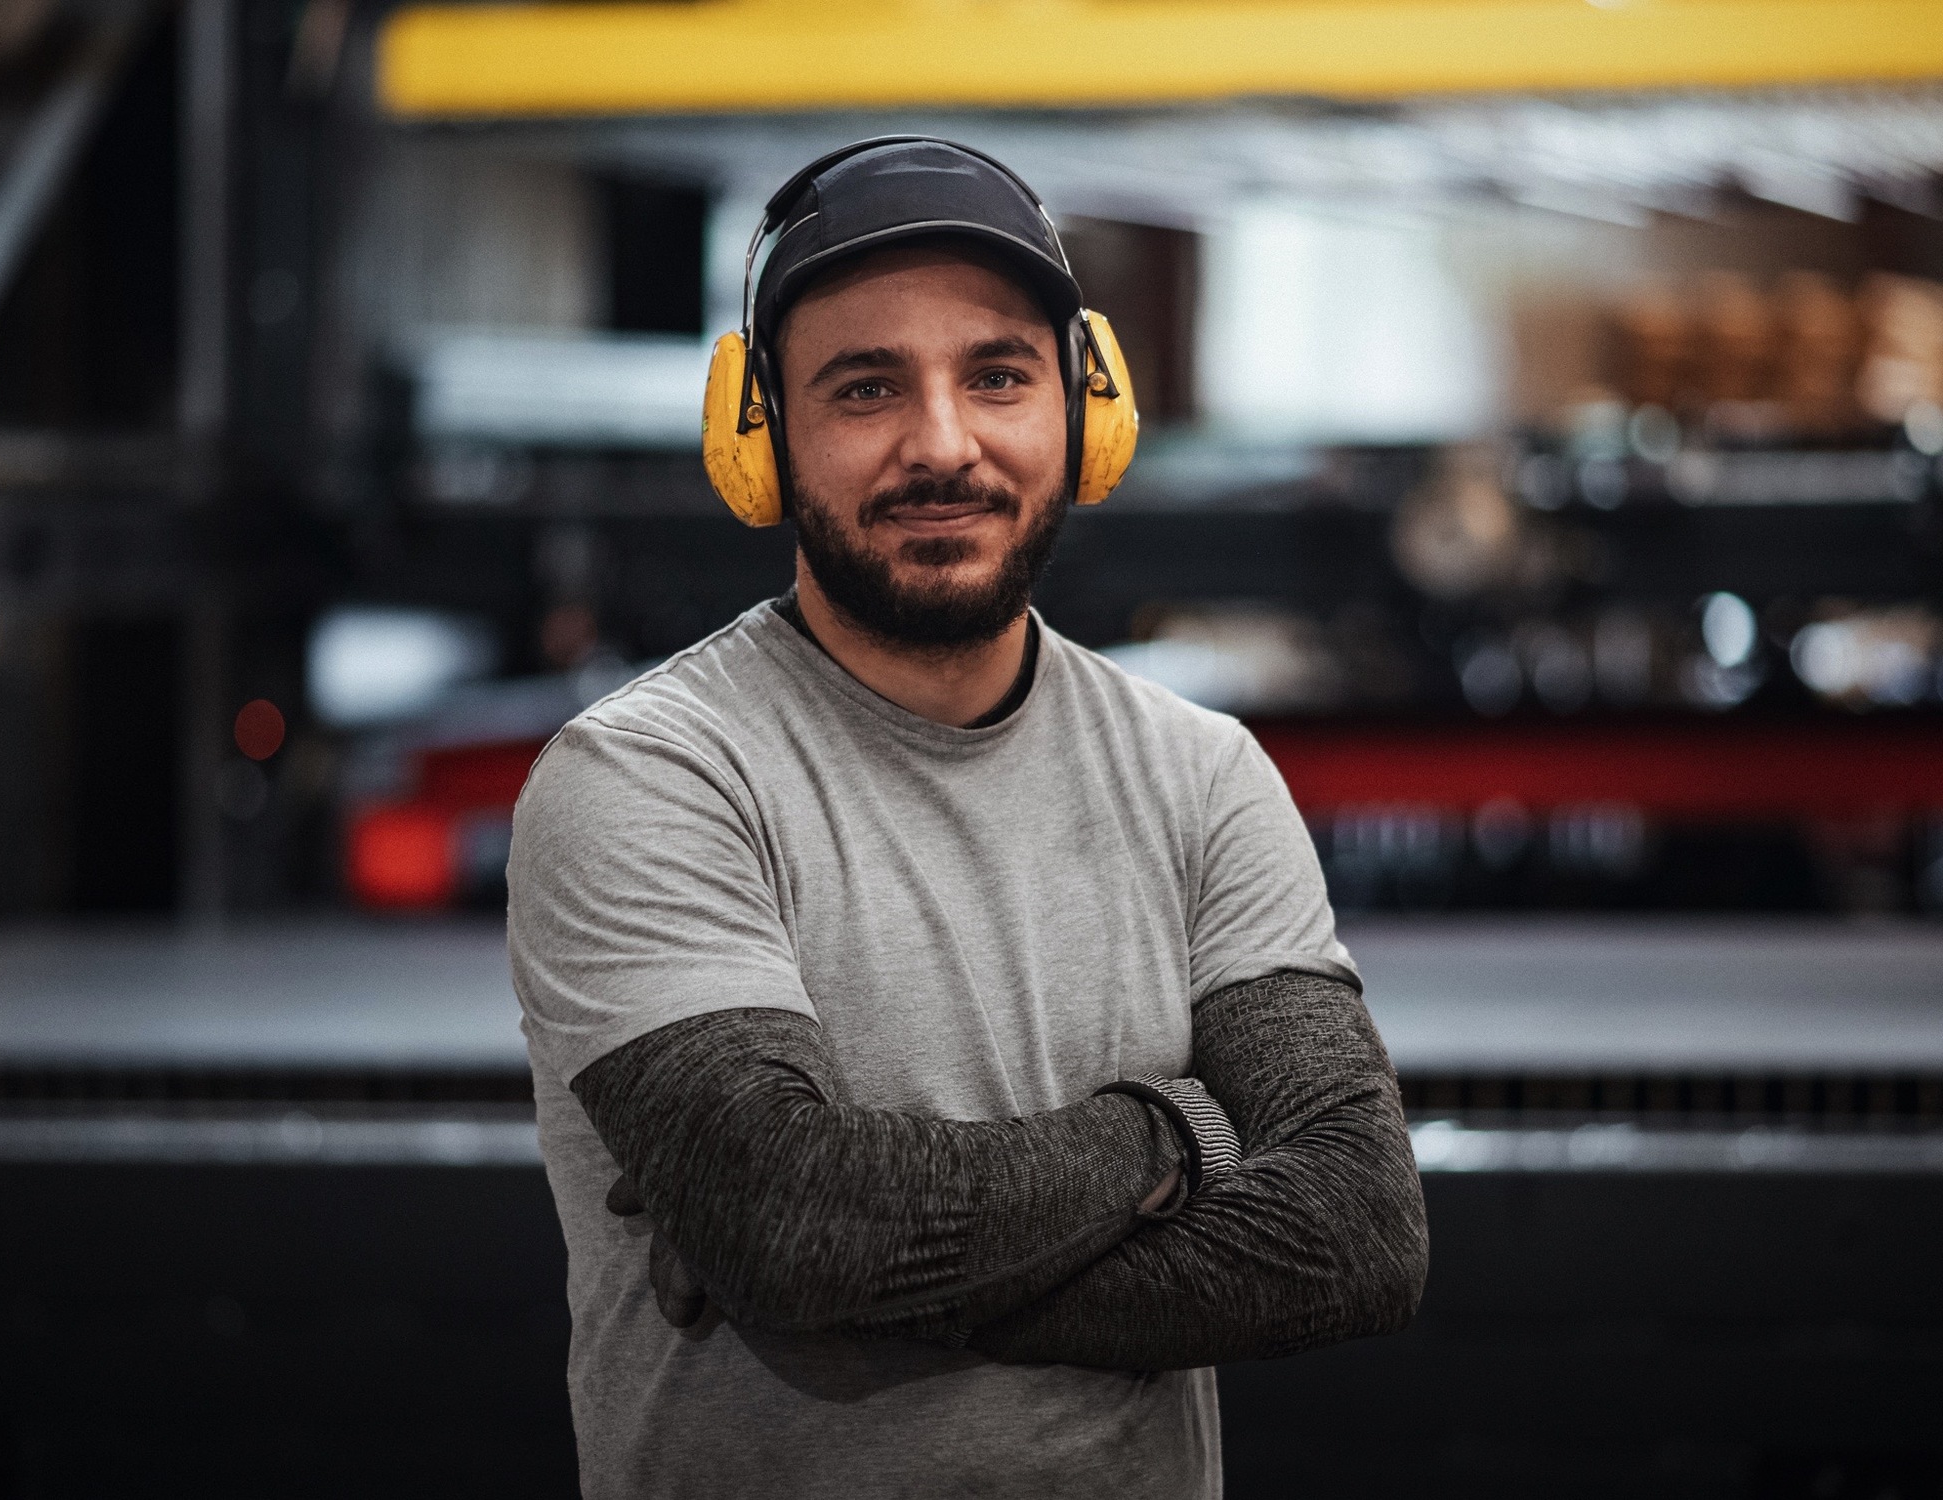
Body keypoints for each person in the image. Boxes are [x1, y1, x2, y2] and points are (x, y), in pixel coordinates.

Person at [507, 137, 1427, 1499]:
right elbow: (795, 1220)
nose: (942, 446)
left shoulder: (1201, 775)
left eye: (996, 375)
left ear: (1086, 406)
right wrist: (1172, 1135)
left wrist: (845, 1277)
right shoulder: (649, 775)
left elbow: (1355, 1232)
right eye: (866, 387)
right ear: (758, 432)